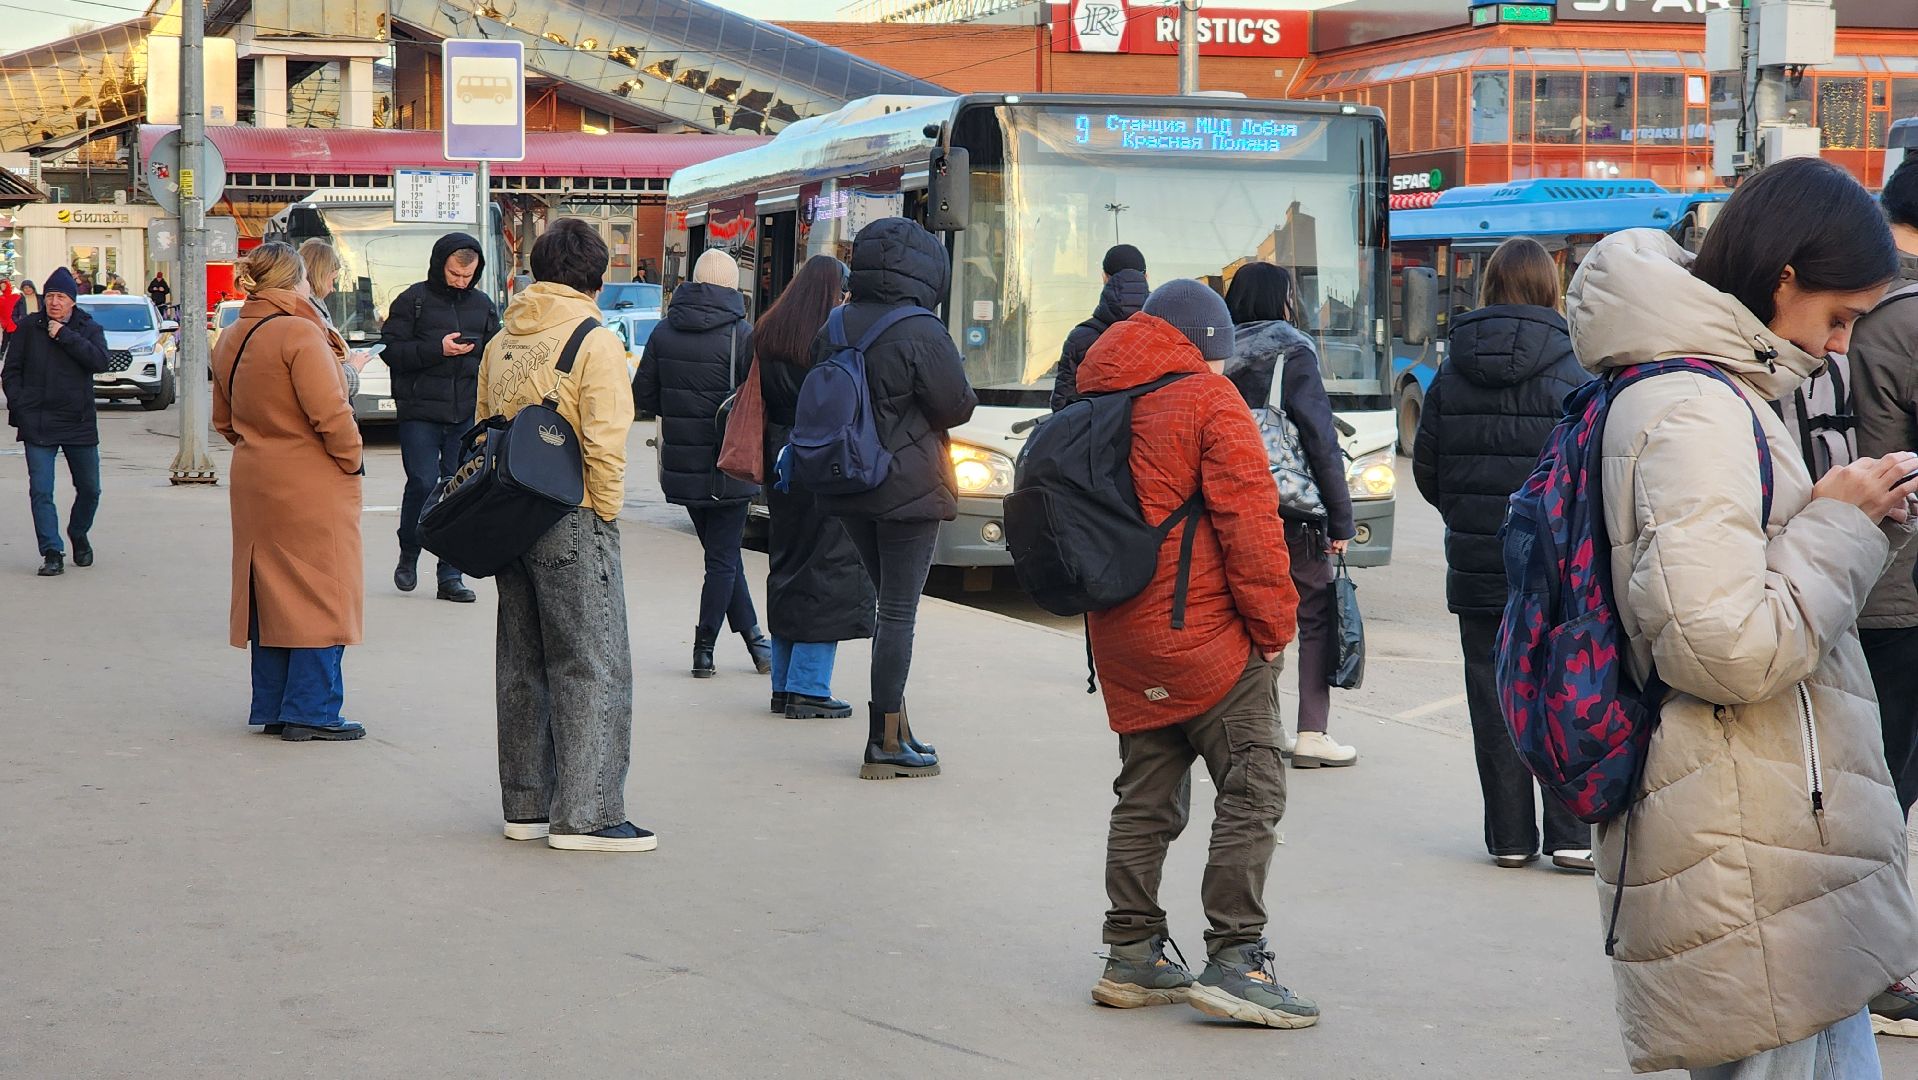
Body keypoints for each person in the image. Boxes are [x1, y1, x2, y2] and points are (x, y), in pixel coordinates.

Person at [1564, 157, 1918, 1076]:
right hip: (1746, 848)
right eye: (1839, 316)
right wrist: (1843, 522)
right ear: (1785, 275)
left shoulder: (1708, 393)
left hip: (1758, 840)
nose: (1842, 345)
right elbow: (1722, 647)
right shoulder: (1693, 410)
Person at [1077, 278, 1310, 1029]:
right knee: (1253, 788)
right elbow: (1252, 530)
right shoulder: (1210, 404)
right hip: (1206, 642)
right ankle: (1237, 958)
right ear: (1206, 346)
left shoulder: (1098, 397)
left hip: (1121, 638)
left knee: (1145, 797)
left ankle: (1132, 953)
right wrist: (1275, 630)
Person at [1411, 236, 1593, 873]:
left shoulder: (1450, 370)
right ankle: (1571, 835)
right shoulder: (1578, 369)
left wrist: (1473, 518)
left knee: (1492, 698)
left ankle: (1510, 838)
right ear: (1551, 288)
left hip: (1480, 563)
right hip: (1560, 566)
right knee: (1565, 688)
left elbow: (1429, 473)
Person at [478, 218, 648, 851]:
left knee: (521, 662)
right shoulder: (594, 340)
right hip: (569, 514)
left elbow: (484, 427)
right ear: (596, 277)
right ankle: (589, 813)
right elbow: (605, 443)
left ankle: (524, 805)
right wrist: (604, 515)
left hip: (507, 515)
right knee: (593, 662)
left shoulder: (502, 339)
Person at [810, 218, 976, 780]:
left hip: (848, 481)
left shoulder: (836, 322)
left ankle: (897, 728)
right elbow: (955, 405)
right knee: (899, 614)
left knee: (889, 608)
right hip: (909, 489)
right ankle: (883, 742)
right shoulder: (922, 329)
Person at [209, 244, 365, 743]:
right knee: (323, 589)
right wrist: (353, 459)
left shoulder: (231, 336)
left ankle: (273, 707)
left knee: (271, 592)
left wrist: (261, 444)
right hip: (310, 480)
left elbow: (223, 421)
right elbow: (330, 413)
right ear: (294, 280)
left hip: (254, 478)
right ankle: (313, 710)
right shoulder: (299, 332)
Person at [1222, 262, 1358, 768]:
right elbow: (1321, 440)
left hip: (1231, 509)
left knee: (1245, 616)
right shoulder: (1292, 351)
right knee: (1315, 616)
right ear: (1283, 300)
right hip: (1291, 509)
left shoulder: (1213, 354)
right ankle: (1311, 733)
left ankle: (1255, 728)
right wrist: (1341, 521)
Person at [1843, 157, 1918, 1040]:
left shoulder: (1853, 309)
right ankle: (1877, 967)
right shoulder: (1905, 316)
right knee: (1885, 788)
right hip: (1899, 591)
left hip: (1839, 574)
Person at [635, 248, 770, 679]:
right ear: (733, 285)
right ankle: (704, 648)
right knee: (722, 560)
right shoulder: (744, 334)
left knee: (721, 555)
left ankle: (755, 640)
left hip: (683, 462)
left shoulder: (663, 332)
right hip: (730, 462)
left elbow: (645, 397)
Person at [756, 255, 874, 719]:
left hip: (780, 462)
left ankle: (783, 684)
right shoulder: (831, 337)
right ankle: (809, 687)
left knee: (787, 564)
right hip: (823, 460)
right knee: (827, 570)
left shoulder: (768, 332)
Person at [379, 231, 499, 604]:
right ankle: (409, 553)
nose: (461, 281)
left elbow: (497, 352)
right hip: (419, 411)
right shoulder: (412, 300)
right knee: (423, 481)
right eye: (454, 274)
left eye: (468, 275)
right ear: (439, 265)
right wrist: (437, 349)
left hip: (465, 413)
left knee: (458, 488)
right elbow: (391, 350)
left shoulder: (483, 305)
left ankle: (450, 574)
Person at [2, 267, 109, 577]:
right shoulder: (27, 328)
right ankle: (52, 550)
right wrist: (21, 405)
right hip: (38, 421)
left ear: (73, 301)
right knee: (41, 490)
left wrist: (65, 336)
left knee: (90, 489)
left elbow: (99, 361)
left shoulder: (88, 328)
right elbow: (10, 372)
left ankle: (78, 532)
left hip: (78, 420)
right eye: (49, 296)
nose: (54, 302)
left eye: (61, 297)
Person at [1050, 243, 1149, 412]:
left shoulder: (1080, 338)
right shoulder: (1167, 335)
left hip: (1095, 436)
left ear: (1104, 278)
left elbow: (1062, 407)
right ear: (1146, 277)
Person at [298, 239, 369, 397]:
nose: (332, 289)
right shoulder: (308, 313)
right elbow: (328, 381)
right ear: (319, 275)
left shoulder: (308, 308)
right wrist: (353, 367)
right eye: (333, 280)